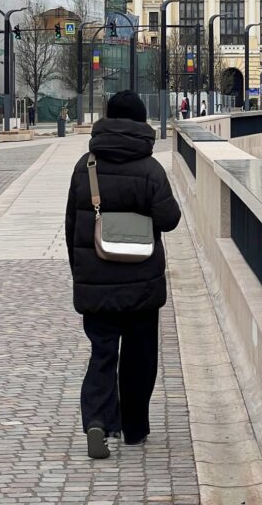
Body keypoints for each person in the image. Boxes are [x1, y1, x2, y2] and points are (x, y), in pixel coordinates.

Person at [65, 90, 181, 460]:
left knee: (102, 352)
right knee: (139, 355)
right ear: (141, 122)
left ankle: (97, 422)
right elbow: (170, 219)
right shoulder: (150, 169)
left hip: (97, 281)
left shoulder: (86, 166)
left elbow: (71, 228)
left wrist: (82, 274)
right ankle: (134, 428)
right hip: (141, 282)